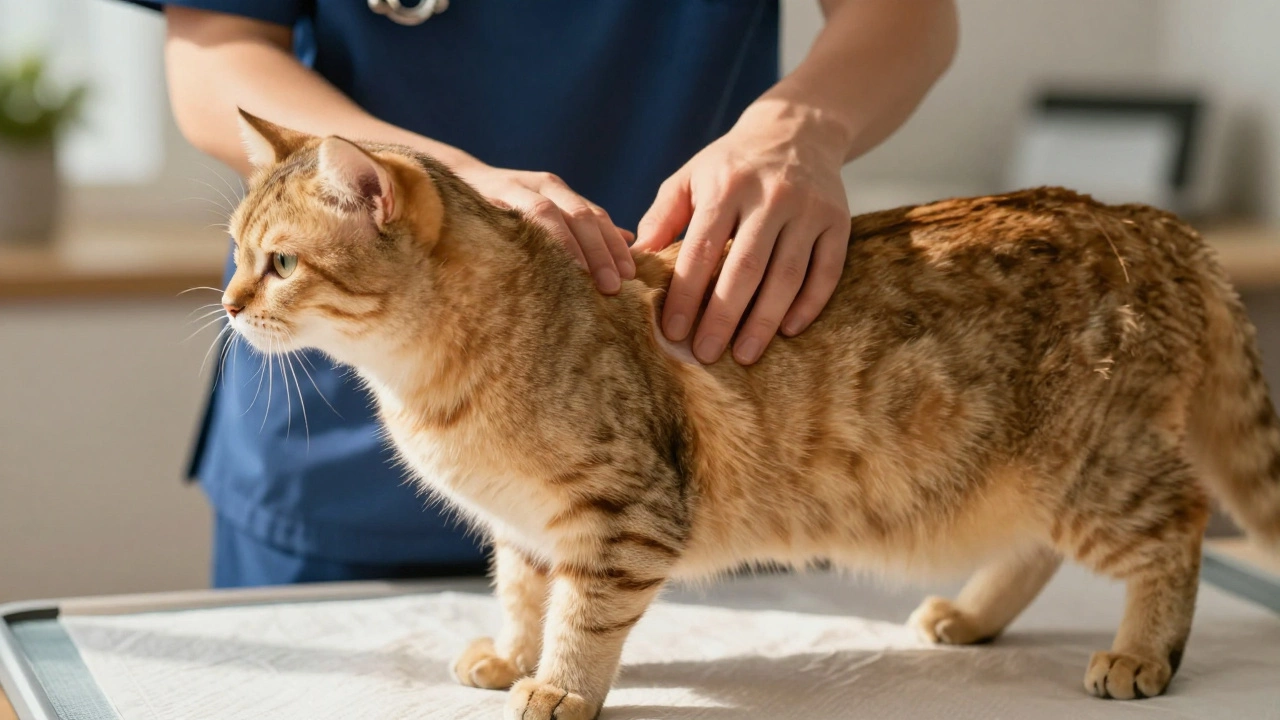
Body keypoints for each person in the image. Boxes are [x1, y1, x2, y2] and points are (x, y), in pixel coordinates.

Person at [123, 0, 958, 588]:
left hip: (713, 407)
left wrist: (801, 126)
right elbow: (218, 49)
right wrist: (441, 183)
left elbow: (908, 13)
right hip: (340, 453)